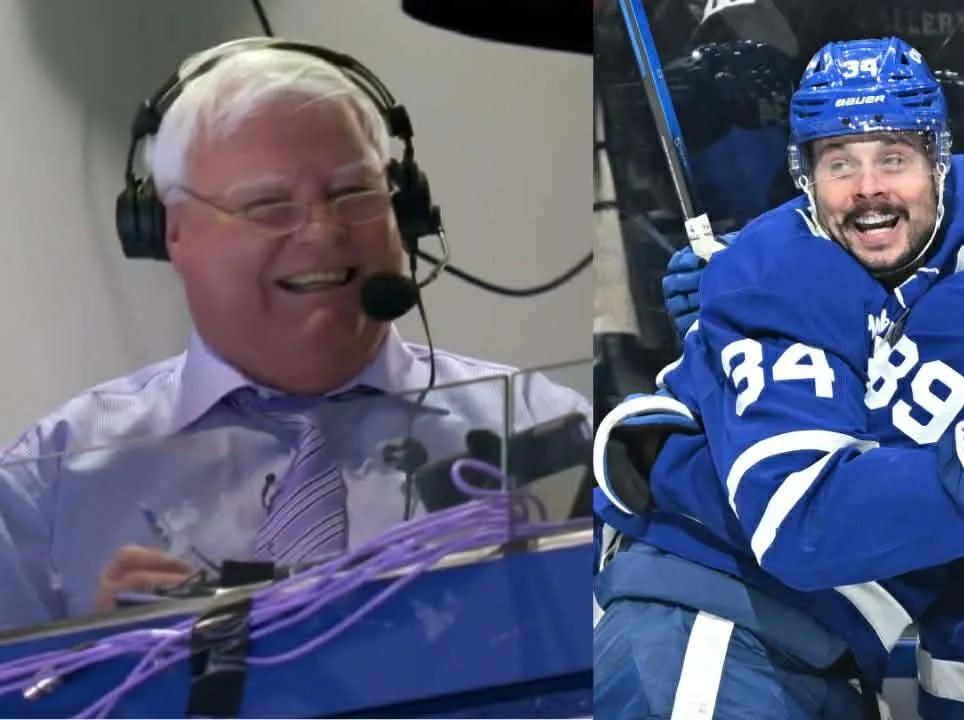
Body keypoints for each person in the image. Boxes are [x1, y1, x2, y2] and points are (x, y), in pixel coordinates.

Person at [603, 74, 964, 718]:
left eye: (895, 159)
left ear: (939, 166)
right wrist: (739, 334)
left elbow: (814, 506)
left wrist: (667, 447)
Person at [0, 38, 590, 630]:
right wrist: (93, 667)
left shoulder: (543, 429)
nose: (322, 232)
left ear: (403, 209)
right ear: (170, 231)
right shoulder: (48, 486)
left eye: (353, 193)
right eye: (268, 204)